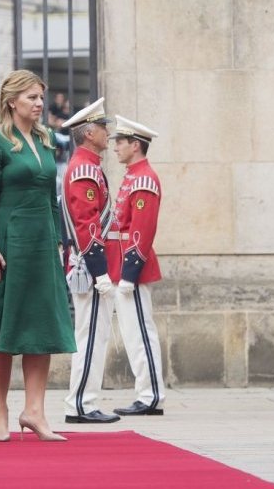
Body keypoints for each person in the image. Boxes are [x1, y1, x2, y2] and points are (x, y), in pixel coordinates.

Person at [0, 69, 76, 442]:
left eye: (41, 97)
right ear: (11, 101)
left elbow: (50, 193)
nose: (40, 104)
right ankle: (1, 411)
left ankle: (34, 411)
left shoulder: (46, 137)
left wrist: (57, 239)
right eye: (32, 98)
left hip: (42, 242)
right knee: (1, 327)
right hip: (7, 240)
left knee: (41, 324)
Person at [60, 98, 120, 424]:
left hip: (97, 265)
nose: (108, 133)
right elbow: (87, 224)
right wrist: (100, 272)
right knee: (91, 336)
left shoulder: (90, 165)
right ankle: (81, 403)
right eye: (103, 128)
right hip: (92, 266)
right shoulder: (84, 169)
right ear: (89, 132)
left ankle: (85, 400)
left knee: (96, 335)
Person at [107, 116, 167, 416]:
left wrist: (129, 273)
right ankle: (145, 392)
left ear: (135, 145)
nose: (115, 146)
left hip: (133, 267)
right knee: (133, 334)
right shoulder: (133, 175)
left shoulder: (143, 178)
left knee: (141, 332)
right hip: (122, 264)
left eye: (120, 141)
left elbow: (142, 231)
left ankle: (151, 395)